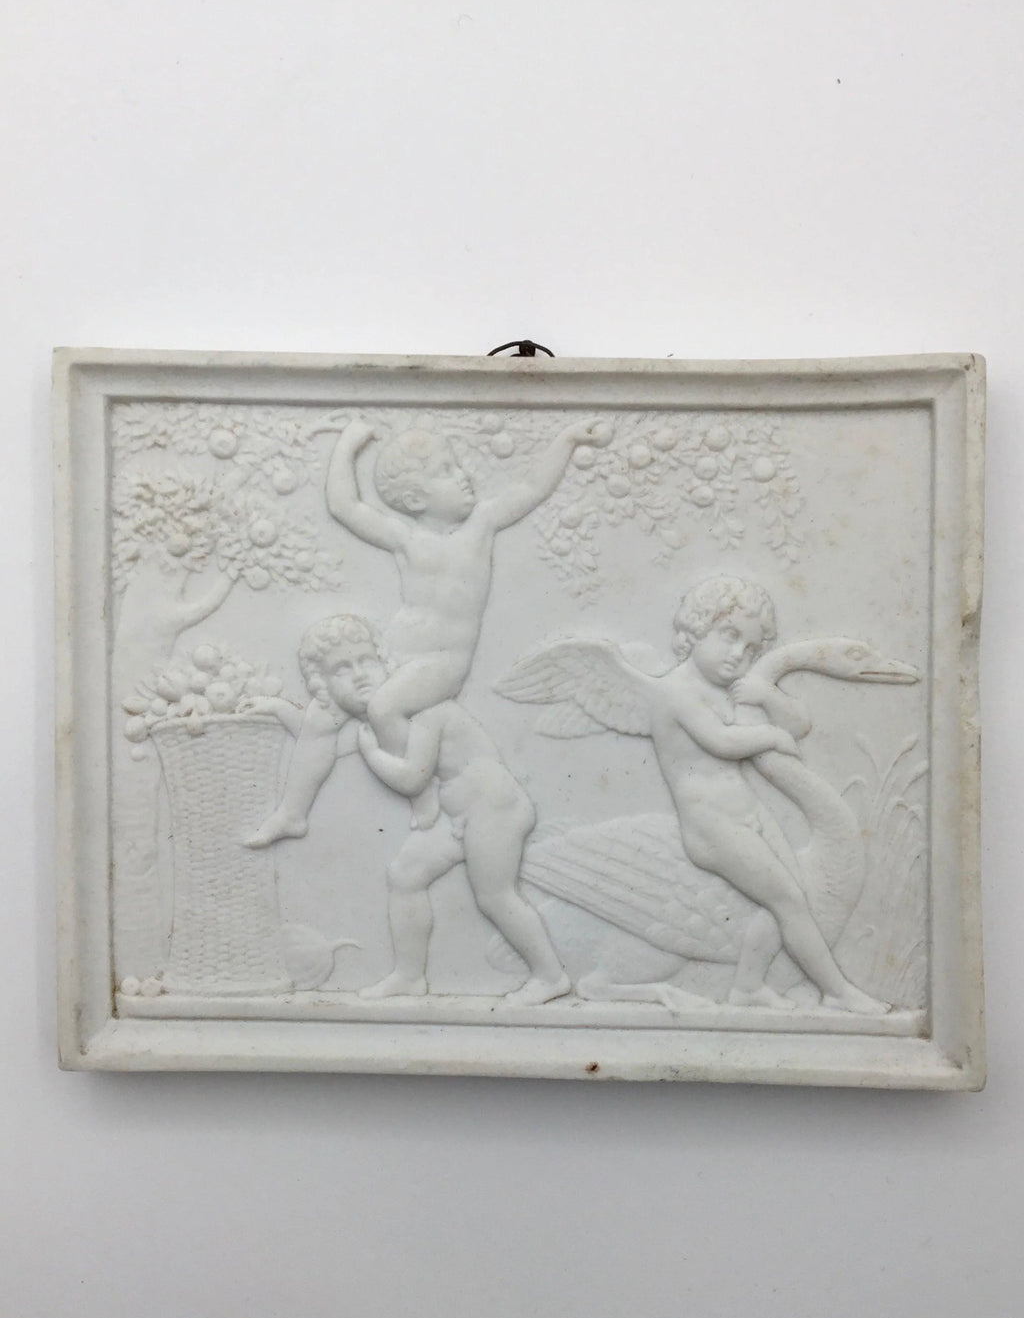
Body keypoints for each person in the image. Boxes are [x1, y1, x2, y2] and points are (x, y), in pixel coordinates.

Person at [248, 413, 610, 843]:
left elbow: (531, 488)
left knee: (384, 707)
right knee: (321, 717)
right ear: (414, 499)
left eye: (456, 465)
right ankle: (292, 813)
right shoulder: (406, 539)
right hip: (397, 655)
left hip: (442, 662)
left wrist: (566, 439)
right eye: (445, 471)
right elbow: (345, 507)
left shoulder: (481, 525)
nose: (464, 476)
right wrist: (347, 445)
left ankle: (418, 786)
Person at [247, 613, 571, 1007]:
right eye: (342, 669)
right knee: (405, 876)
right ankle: (409, 976)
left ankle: (551, 976)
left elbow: (413, 779)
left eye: (366, 661)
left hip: (493, 809)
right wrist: (277, 708)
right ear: (325, 686)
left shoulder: (425, 710)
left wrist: (371, 754)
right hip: (459, 813)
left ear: (385, 663)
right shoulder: (381, 719)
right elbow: (316, 738)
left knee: (495, 896)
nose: (359, 675)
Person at [655, 576, 887, 1014]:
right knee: (788, 900)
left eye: (750, 649)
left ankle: (748, 986)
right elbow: (721, 741)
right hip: (711, 827)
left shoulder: (730, 688)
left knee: (792, 895)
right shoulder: (674, 691)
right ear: (696, 627)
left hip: (748, 815)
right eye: (729, 635)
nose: (738, 655)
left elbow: (798, 725)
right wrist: (771, 736)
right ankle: (836, 991)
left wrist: (768, 696)